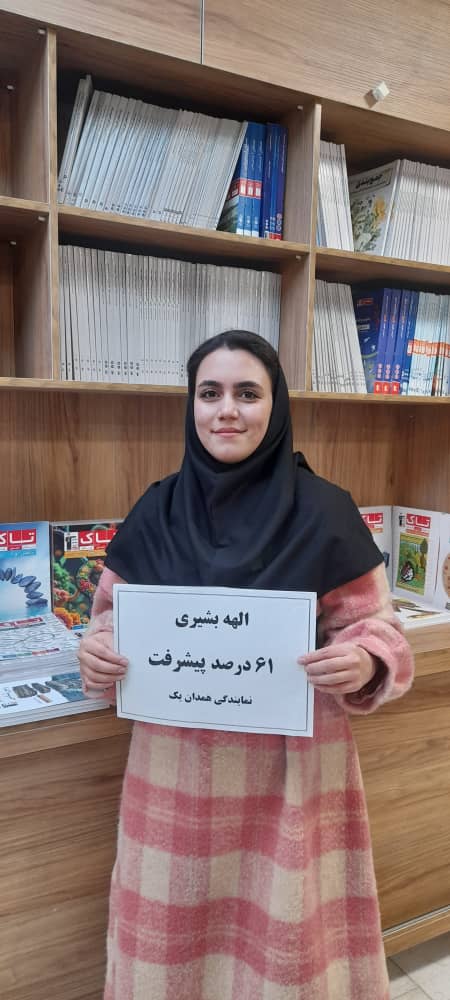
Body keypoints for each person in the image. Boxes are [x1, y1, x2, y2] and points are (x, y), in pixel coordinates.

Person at [78, 329, 414, 1000]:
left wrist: (365, 660)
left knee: (285, 948)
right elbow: (111, 620)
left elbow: (380, 629)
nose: (226, 410)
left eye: (247, 393)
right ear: (191, 405)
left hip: (291, 783)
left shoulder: (326, 511)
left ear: (275, 405)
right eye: (210, 393)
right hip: (174, 779)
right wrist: (98, 653)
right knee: (170, 948)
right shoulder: (155, 510)